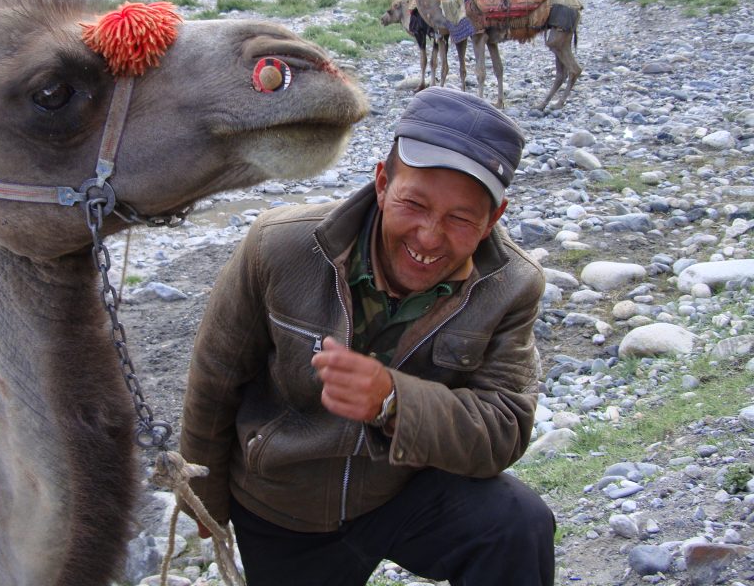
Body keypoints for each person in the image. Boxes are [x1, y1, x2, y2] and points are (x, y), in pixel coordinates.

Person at [180, 88, 554, 586]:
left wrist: (393, 402)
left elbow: (503, 428)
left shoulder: (511, 285)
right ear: (381, 183)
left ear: (493, 220)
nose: (428, 236)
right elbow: (215, 378)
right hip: (284, 507)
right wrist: (205, 500)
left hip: (404, 489)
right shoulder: (280, 245)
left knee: (516, 524)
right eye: (413, 204)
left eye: (461, 218)